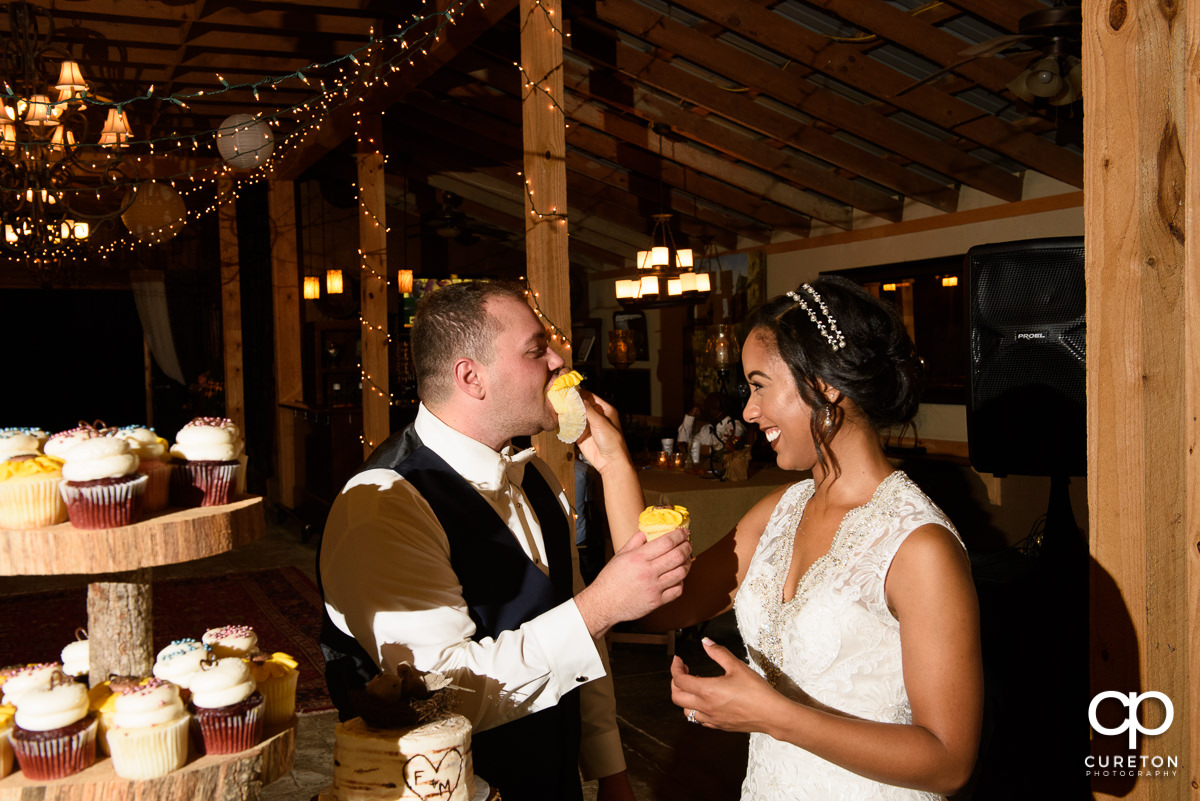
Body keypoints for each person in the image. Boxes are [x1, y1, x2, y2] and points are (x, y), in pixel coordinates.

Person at [317, 280, 691, 801]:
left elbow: (586, 647)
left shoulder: (534, 475)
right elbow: (441, 698)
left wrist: (610, 768)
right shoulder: (383, 504)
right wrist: (598, 608)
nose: (560, 360)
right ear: (471, 377)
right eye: (537, 349)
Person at [622, 276, 984, 799]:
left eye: (760, 385)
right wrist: (612, 463)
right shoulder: (778, 512)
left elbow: (948, 762)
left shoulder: (919, 547)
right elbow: (654, 607)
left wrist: (773, 714)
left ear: (825, 384)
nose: (748, 411)